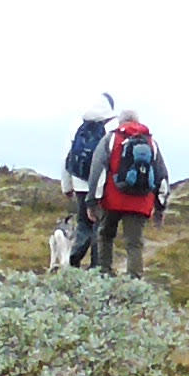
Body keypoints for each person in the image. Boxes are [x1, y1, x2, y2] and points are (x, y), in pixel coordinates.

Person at [88, 105, 166, 278]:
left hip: (112, 199)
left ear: (120, 122)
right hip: (141, 202)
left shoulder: (111, 139)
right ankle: (134, 279)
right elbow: (162, 175)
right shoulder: (151, 143)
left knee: (106, 235)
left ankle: (105, 273)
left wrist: (92, 200)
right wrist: (160, 206)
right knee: (134, 243)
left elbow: (97, 170)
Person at [58, 92, 114, 270]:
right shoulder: (112, 127)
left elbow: (66, 158)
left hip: (80, 183)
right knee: (100, 225)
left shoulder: (77, 126)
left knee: (83, 224)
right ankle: (96, 266)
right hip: (103, 185)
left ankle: (72, 259)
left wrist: (67, 186)